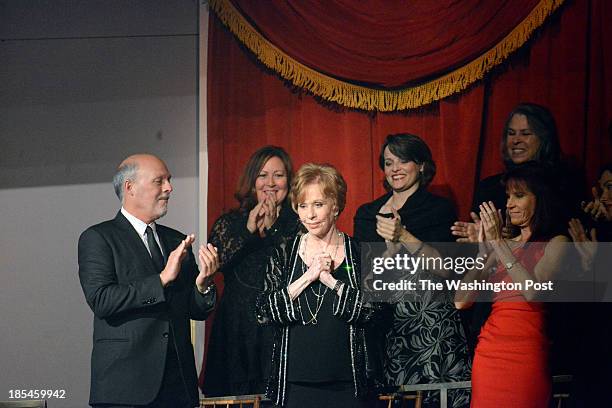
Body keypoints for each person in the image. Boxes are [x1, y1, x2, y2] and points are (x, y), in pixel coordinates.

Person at [78, 154, 218, 408]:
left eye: (169, 180)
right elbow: (102, 300)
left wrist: (203, 283)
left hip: (178, 386)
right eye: (159, 181)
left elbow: (195, 310)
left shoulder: (175, 240)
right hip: (126, 387)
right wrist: (162, 279)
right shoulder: (99, 238)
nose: (169, 188)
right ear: (129, 187)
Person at [353, 133, 471, 408]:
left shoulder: (439, 209)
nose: (394, 168)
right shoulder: (367, 214)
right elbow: (363, 276)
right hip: (388, 329)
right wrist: (388, 252)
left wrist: (403, 236)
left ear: (421, 165)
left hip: (434, 330)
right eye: (388, 162)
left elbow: (448, 270)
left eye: (403, 160)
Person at [256, 163, 376, 408]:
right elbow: (263, 311)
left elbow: (374, 311)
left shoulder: (361, 252)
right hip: (296, 382)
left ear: (336, 206)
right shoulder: (284, 252)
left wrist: (331, 281)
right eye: (303, 206)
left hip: (348, 382)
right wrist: (308, 276)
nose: (309, 215)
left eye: (318, 205)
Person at [455, 162, 569, 407]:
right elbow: (461, 301)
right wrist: (484, 253)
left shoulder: (557, 242)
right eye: (508, 197)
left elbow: (533, 292)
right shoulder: (503, 244)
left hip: (527, 353)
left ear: (540, 198)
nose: (509, 205)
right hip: (489, 352)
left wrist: (498, 242)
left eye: (519, 196)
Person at [203, 146, 300, 396]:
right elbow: (218, 263)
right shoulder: (229, 223)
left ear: (289, 181)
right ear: (252, 181)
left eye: (278, 175)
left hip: (279, 329)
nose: (270, 183)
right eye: (262, 175)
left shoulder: (299, 223)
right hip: (236, 330)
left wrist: (274, 228)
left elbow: (297, 268)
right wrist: (248, 229)